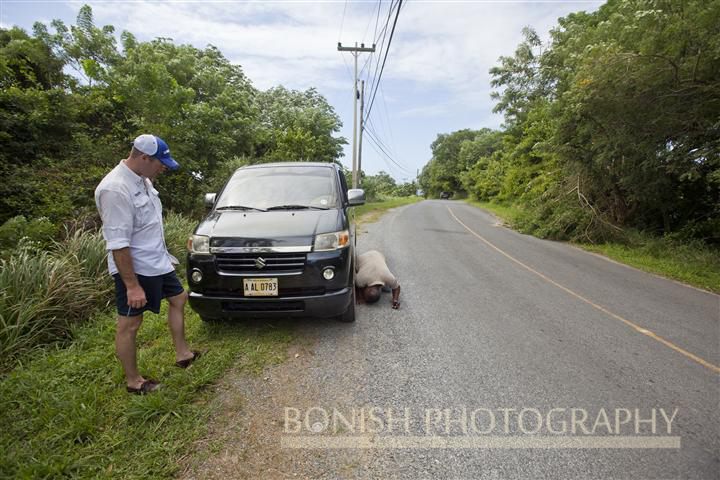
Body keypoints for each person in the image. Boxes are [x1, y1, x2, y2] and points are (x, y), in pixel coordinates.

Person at [95, 134, 204, 395]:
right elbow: (118, 243)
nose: (163, 167)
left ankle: (183, 354)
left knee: (179, 299)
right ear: (143, 157)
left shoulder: (143, 180)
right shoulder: (115, 188)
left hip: (158, 260)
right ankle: (134, 382)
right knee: (130, 323)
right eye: (160, 162)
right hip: (136, 267)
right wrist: (131, 286)